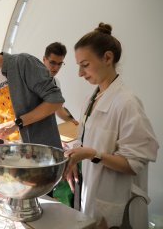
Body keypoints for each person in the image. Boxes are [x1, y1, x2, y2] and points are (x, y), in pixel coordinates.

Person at [63, 23, 158, 228]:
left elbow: (134, 163)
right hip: (94, 195)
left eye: (85, 65)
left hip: (119, 203)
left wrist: (92, 155)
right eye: (79, 65)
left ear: (107, 58)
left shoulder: (126, 103)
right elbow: (85, 139)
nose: (80, 73)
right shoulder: (91, 99)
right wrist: (72, 154)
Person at [43, 42, 78, 125]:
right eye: (52, 63)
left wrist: (73, 121)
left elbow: (58, 109)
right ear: (44, 59)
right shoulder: (30, 79)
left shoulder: (56, 83)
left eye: (60, 64)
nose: (56, 68)